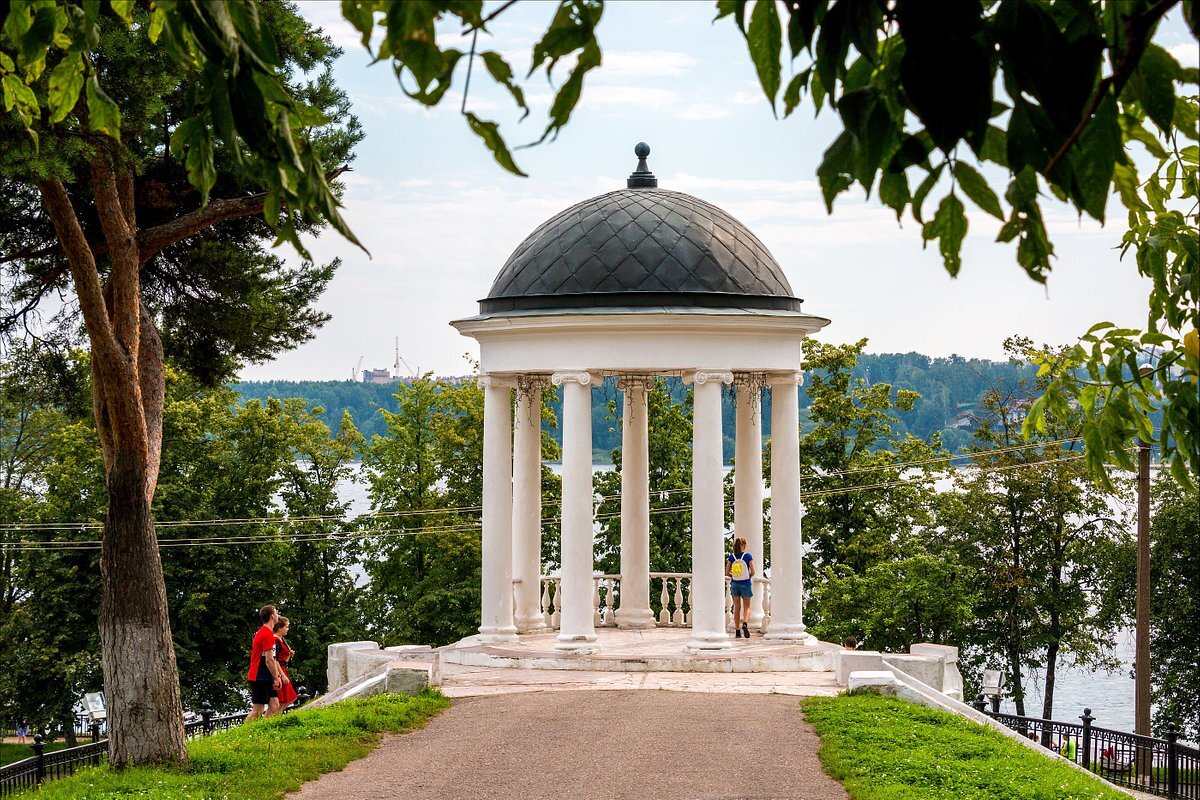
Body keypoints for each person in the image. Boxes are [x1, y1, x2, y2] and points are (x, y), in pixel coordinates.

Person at [246, 604, 284, 721]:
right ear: (272, 616)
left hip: (266, 675)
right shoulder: (266, 634)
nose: (278, 615)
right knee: (258, 710)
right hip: (259, 675)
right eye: (276, 612)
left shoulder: (265, 632)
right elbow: (269, 660)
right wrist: (277, 678)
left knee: (275, 705)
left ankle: (267, 729)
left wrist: (275, 676)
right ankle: (244, 731)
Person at [725, 536, 755, 638]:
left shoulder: (731, 557)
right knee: (747, 607)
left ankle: (737, 631)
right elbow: (753, 571)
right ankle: (745, 623)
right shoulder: (748, 556)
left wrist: (734, 576)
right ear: (743, 545)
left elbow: (727, 572)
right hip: (746, 584)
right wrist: (748, 576)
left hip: (735, 584)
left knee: (737, 607)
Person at [273, 616, 298, 708]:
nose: (287, 629)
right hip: (279, 670)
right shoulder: (276, 640)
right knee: (283, 698)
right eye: (286, 627)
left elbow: (283, 659)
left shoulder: (281, 639)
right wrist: (281, 675)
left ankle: (277, 716)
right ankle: (275, 717)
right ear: (279, 628)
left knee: (288, 698)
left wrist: (288, 656)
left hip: (283, 667)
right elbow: (275, 659)